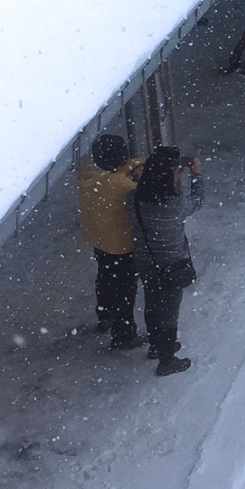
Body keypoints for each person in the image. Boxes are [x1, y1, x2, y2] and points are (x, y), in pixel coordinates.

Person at [130, 144, 204, 376]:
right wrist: (197, 174)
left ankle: (156, 345)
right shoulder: (176, 205)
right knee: (169, 313)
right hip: (172, 267)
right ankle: (167, 359)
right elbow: (198, 200)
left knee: (152, 304)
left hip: (145, 262)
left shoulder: (133, 199)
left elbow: (145, 182)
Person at [76, 134, 145, 349]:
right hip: (121, 246)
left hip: (99, 241)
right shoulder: (124, 186)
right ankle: (124, 334)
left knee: (105, 278)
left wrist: (138, 162)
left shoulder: (88, 179)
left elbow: (114, 176)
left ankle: (105, 314)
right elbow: (141, 193)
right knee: (125, 289)